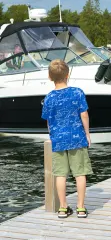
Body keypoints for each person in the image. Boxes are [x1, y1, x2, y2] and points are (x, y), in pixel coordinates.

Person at [41, 59, 92, 219]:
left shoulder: (49, 98)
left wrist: (53, 135)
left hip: (59, 140)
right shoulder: (77, 92)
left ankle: (63, 207)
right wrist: (87, 134)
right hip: (77, 138)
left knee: (61, 174)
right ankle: (81, 207)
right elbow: (84, 114)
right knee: (80, 173)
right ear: (68, 75)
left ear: (50, 77)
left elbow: (48, 121)